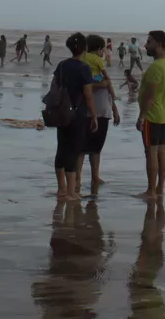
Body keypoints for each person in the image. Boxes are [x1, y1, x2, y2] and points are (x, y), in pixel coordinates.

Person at [51, 33, 98, 202]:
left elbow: (54, 86)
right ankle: (72, 192)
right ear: (84, 49)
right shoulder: (84, 68)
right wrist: (93, 115)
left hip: (61, 111)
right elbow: (88, 94)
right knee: (74, 149)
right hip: (78, 114)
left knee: (61, 147)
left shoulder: (62, 65)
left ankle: (61, 189)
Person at [137, 31, 165, 200]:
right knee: (161, 151)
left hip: (152, 115)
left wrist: (142, 116)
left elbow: (150, 95)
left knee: (151, 152)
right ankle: (159, 189)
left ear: (159, 44)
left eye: (149, 42)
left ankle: (151, 190)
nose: (146, 46)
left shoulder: (156, 67)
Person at [82, 33, 121, 193]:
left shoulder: (90, 62)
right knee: (83, 148)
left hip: (104, 110)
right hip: (88, 112)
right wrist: (104, 84)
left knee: (96, 148)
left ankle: (95, 176)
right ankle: (78, 178)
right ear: (98, 49)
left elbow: (108, 93)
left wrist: (115, 110)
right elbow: (86, 86)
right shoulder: (87, 64)